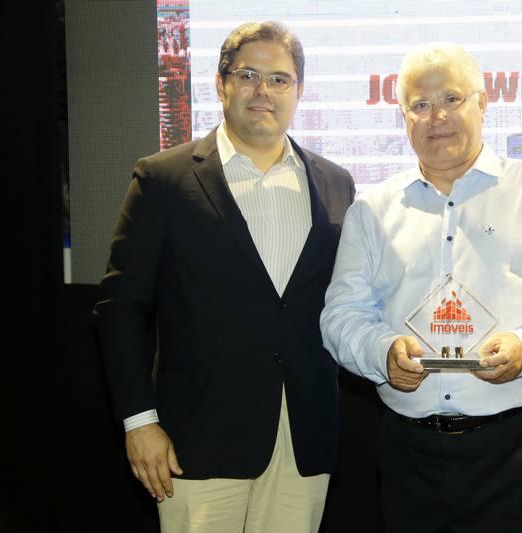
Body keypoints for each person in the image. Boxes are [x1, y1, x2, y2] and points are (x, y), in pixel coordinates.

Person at [320, 42, 522, 532]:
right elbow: (341, 314)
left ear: (483, 102)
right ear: (403, 116)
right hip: (411, 457)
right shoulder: (371, 210)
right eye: (420, 104)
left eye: (451, 99)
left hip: (520, 450)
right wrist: (381, 351)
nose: (437, 117)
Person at [94, 21, 355, 533]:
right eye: (248, 75)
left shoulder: (335, 183)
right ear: (221, 83)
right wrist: (140, 422)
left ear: (299, 90)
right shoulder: (163, 179)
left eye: (279, 79)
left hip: (302, 438)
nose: (264, 91)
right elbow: (119, 310)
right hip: (195, 439)